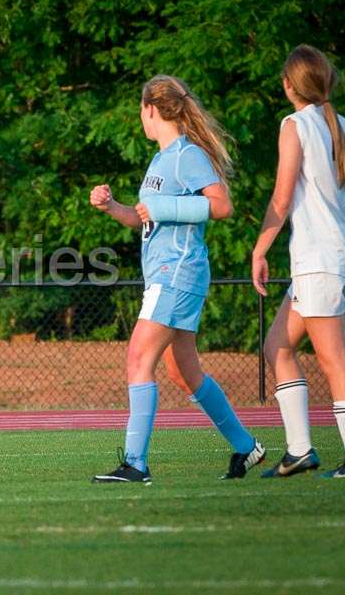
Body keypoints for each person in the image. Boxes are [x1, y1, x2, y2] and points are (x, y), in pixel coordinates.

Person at [89, 74, 265, 483]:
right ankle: (245, 448)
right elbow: (144, 218)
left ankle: (135, 463)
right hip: (165, 274)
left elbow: (221, 206)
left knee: (137, 359)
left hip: (178, 271)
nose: (141, 118)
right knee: (181, 372)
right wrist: (113, 205)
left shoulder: (187, 154)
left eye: (141, 110)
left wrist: (166, 207)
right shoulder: (160, 158)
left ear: (150, 109)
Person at [252, 44, 345, 479]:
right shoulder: (340, 124)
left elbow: (282, 196)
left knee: (335, 363)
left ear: (289, 84)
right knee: (277, 346)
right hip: (325, 260)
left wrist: (260, 248)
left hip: (318, 261)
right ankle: (300, 450)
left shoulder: (294, 124)